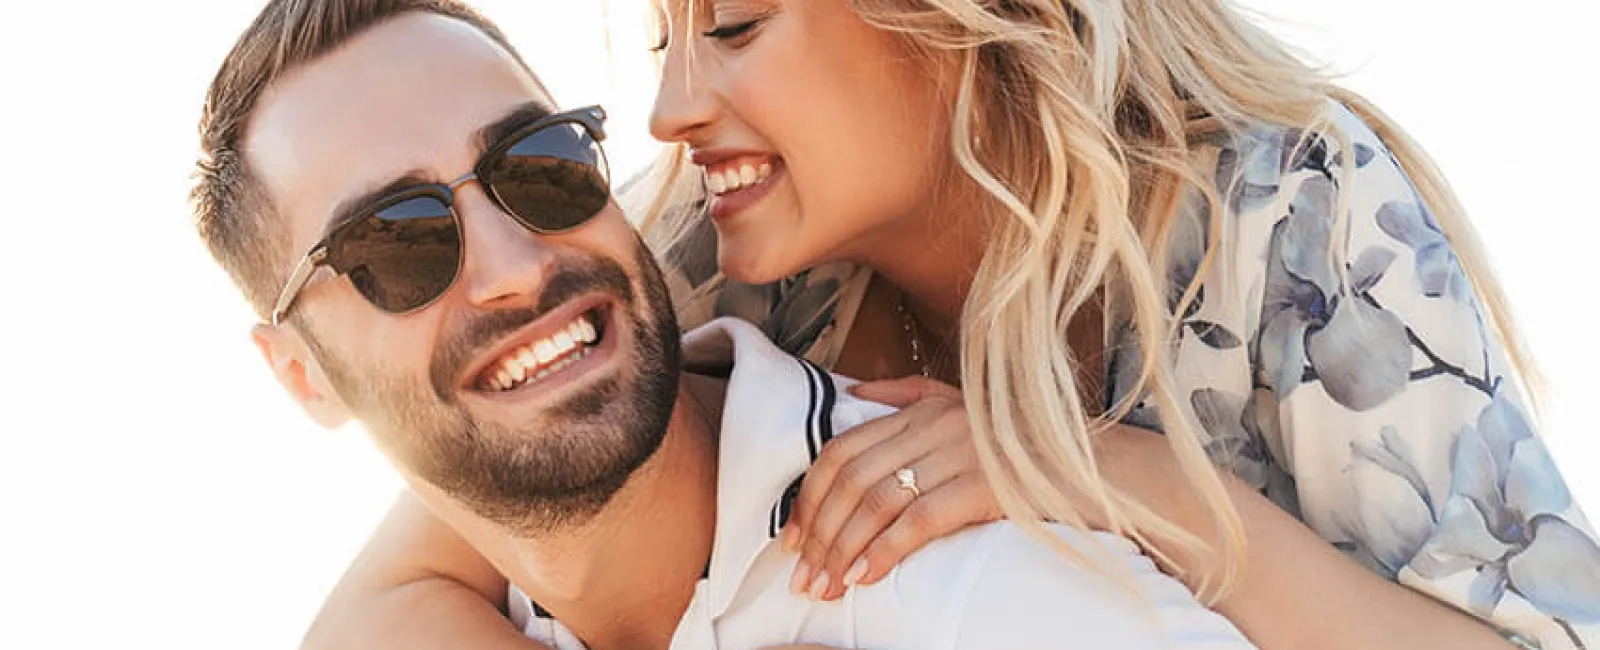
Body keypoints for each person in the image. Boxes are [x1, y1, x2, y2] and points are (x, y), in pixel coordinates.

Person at [293, 1, 1600, 649]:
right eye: (662, 40)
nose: (671, 110)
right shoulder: (709, 244)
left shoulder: (1290, 206)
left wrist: (1114, 480)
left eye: (734, 23)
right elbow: (383, 602)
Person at [190, 1, 1262, 648]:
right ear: (300, 376)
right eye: (396, 244)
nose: (517, 267)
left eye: (542, 168)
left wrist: (1103, 472)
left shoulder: (959, 584)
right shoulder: (445, 612)